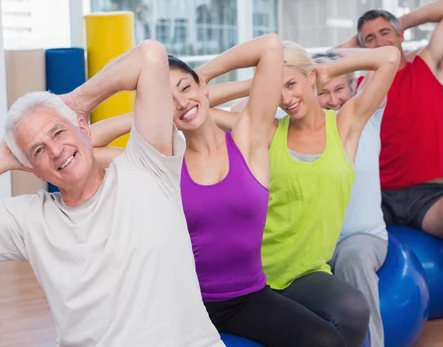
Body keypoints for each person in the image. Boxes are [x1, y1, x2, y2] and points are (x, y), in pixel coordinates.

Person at [89, 35, 348, 347]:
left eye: (185, 88)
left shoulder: (247, 140)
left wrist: (206, 74)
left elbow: (270, 47)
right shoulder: (161, 166)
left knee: (327, 341)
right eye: (167, 101)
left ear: (202, 87)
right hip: (184, 303)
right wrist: (147, 116)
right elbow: (88, 143)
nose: (182, 103)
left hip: (249, 299)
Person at [0, 40, 224, 346]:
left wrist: (77, 101)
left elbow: (151, 55)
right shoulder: (29, 219)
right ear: (32, 170)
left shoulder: (148, 167)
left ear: (84, 130)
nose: (55, 150)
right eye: (38, 150)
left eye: (58, 132)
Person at [207, 41, 400, 347]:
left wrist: (328, 69)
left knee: (354, 309)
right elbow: (203, 104)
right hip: (255, 273)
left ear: (310, 78)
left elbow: (390, 57)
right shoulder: (268, 132)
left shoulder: (345, 126)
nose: (285, 98)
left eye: (292, 84)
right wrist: (258, 83)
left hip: (305, 272)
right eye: (277, 90)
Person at [338, 0, 443, 334]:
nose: (380, 42)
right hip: (373, 197)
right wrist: (366, 47)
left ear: (399, 36)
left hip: (426, 196)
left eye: (386, 33)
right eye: (370, 39)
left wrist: (401, 24)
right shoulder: (359, 84)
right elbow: (324, 58)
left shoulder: (431, 65)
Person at [310, 51, 388, 347]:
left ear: (353, 87)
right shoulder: (299, 127)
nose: (333, 100)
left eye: (339, 89)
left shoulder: (367, 117)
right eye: (323, 93)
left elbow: (384, 60)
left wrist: (331, 61)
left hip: (361, 238)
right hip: (315, 244)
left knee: (353, 259)